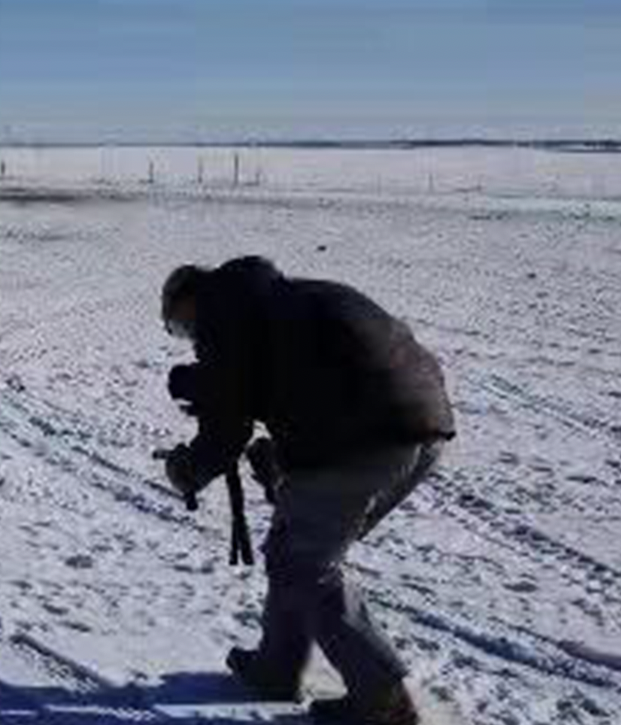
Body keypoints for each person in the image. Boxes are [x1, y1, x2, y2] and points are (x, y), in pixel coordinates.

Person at [157, 257, 455, 725]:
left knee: (305, 562)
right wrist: (284, 456)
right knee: (294, 547)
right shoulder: (285, 300)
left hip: (368, 437)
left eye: (179, 325)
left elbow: (226, 428)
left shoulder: (223, 313)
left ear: (189, 301)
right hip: (423, 424)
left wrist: (187, 471)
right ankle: (277, 667)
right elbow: (316, 383)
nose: (191, 337)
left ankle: (382, 701)